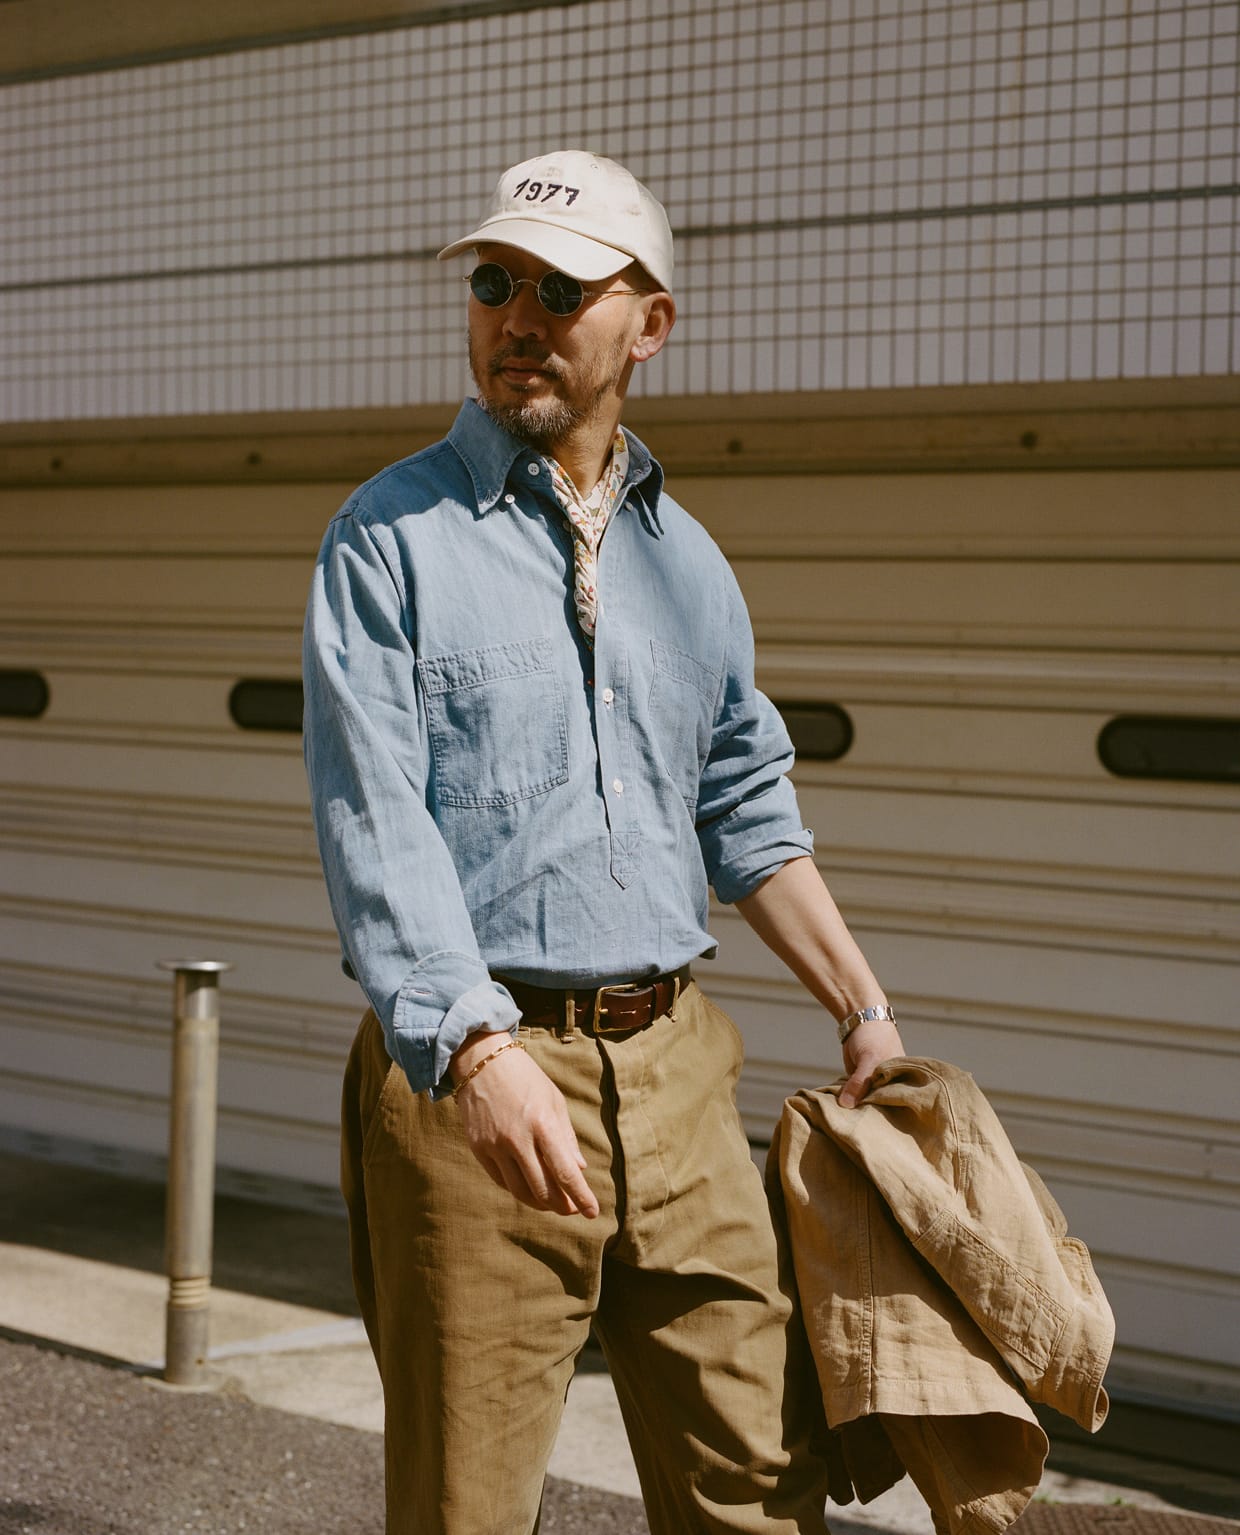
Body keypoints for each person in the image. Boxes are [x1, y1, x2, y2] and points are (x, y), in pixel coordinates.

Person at [302, 149, 905, 1535]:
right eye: (494, 281)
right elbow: (375, 824)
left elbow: (746, 805)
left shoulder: (689, 561)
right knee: (467, 1508)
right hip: (479, 1084)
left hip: (683, 1081)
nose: (517, 313)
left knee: (758, 1492)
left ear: (650, 322)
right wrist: (471, 1045)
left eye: (562, 288)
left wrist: (861, 1007)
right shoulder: (386, 542)